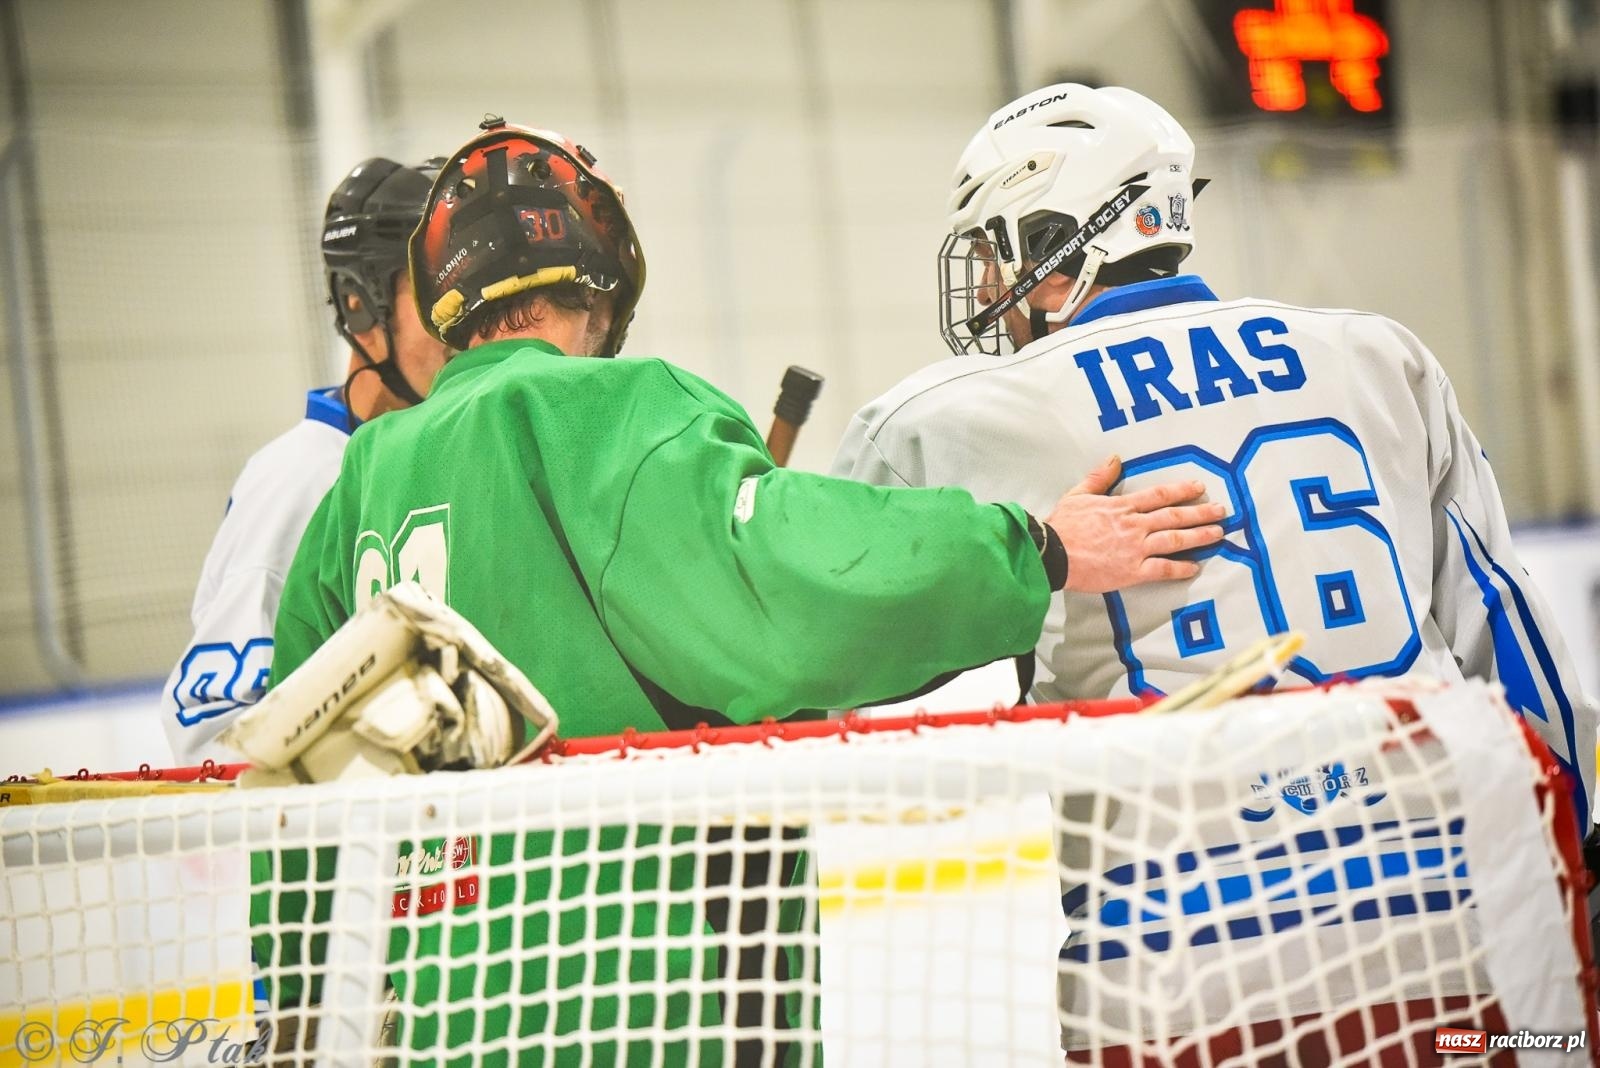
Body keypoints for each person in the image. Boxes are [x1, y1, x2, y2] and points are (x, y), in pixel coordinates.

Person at [253, 117, 1225, 1067]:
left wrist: (290, 1004)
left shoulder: (363, 482)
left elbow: (287, 783)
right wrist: (1039, 550)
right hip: (652, 1004)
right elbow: (797, 586)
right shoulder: (611, 412)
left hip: (450, 1015)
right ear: (598, 282)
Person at [829, 82, 1599, 1057]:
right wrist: (1569, 850)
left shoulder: (946, 418)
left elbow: (827, 641)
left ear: (1064, 233)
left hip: (1170, 961)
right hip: (1448, 930)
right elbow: (1512, 646)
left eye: (996, 251)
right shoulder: (1378, 357)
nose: (988, 290)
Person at [161, 158, 449, 764]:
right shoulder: (300, 479)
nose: (462, 321)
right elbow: (215, 739)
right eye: (434, 294)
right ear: (360, 306)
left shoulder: (447, 454)